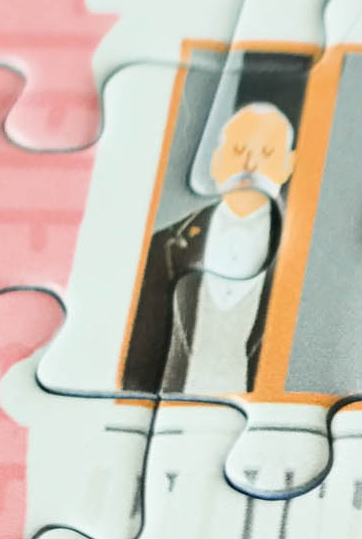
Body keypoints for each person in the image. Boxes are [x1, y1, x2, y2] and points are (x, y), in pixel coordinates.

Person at [120, 101, 298, 397]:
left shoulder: (302, 262)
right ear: (216, 161)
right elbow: (139, 359)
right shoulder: (164, 245)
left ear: (287, 166)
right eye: (238, 151)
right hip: (174, 410)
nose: (249, 165)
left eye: (266, 154)